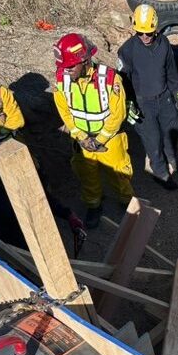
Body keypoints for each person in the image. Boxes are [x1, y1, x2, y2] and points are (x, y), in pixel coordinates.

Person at [52, 32, 133, 229]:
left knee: (119, 174)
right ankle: (94, 205)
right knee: (87, 175)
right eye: (63, 67)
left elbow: (118, 113)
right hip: (82, 140)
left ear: (85, 61)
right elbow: (64, 111)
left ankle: (128, 203)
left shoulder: (110, 79)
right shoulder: (62, 80)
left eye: (70, 67)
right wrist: (81, 137)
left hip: (109, 139)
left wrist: (100, 140)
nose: (66, 71)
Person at [117, 4, 178, 190]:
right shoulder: (127, 50)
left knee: (172, 131)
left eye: (148, 32)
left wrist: (177, 92)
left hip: (164, 98)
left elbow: (171, 70)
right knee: (153, 140)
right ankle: (161, 173)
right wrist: (128, 103)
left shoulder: (164, 43)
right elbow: (122, 80)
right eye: (140, 33)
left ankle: (173, 159)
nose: (145, 37)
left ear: (155, 28)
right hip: (143, 104)